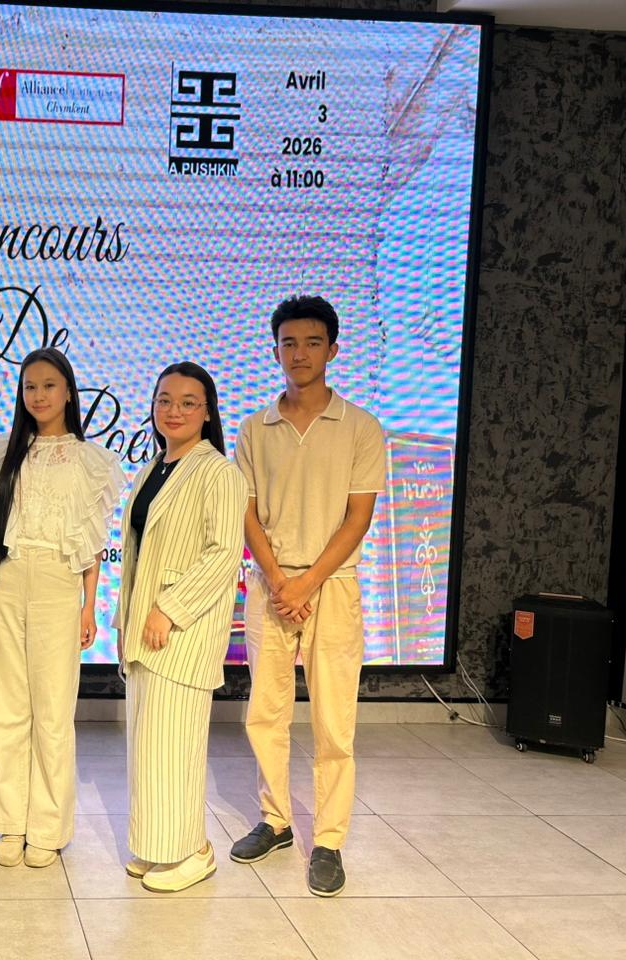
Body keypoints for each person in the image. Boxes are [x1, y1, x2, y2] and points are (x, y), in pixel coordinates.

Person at [230, 295, 386, 898]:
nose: (299, 354)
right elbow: (246, 511)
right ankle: (275, 821)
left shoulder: (361, 426)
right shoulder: (254, 428)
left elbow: (357, 518)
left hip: (334, 586)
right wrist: (277, 579)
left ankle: (329, 839)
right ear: (275, 351)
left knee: (333, 721)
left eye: (312, 343)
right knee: (265, 712)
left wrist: (308, 581)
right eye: (289, 343)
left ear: (333, 350)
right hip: (270, 586)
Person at [0, 348, 123, 868]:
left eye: (49, 385)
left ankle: (47, 826)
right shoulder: (0, 453)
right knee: (3, 705)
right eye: (30, 387)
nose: (38, 396)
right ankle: (8, 821)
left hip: (60, 583)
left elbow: (93, 541)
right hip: (6, 579)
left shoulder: (91, 460)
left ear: (69, 392)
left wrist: (88, 606)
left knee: (54, 711)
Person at [115, 362, 246, 893]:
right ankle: (158, 845)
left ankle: (194, 851)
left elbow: (223, 554)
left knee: (175, 746)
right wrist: (130, 617)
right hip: (144, 631)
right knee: (149, 746)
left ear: (207, 412)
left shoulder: (219, 472)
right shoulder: (154, 468)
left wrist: (169, 609)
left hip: (180, 631)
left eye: (188, 402)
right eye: (164, 400)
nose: (174, 410)